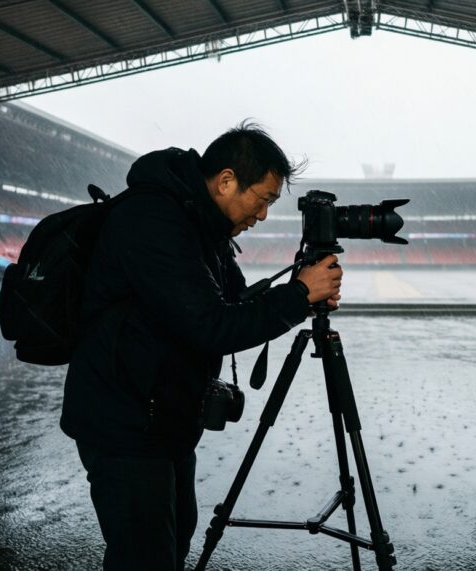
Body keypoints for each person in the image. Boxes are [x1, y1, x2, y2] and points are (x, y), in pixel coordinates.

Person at [61, 122, 343, 570]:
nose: (264, 214)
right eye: (264, 199)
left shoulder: (201, 225)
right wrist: (295, 297)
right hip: (124, 425)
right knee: (144, 560)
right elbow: (213, 325)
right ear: (227, 181)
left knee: (170, 549)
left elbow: (233, 303)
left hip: (163, 422)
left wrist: (301, 294)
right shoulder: (155, 220)